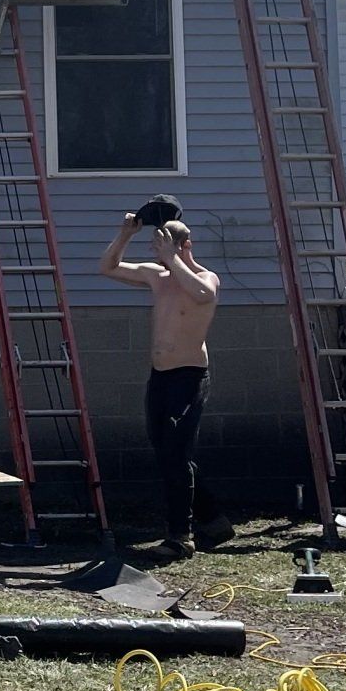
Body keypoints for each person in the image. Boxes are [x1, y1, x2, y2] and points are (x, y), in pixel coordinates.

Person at [98, 200, 230, 560]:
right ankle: (214, 520)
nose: (157, 256)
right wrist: (126, 235)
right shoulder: (157, 276)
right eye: (155, 249)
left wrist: (174, 258)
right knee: (168, 451)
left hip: (189, 377)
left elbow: (204, 295)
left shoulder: (205, 278)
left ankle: (180, 537)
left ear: (185, 246)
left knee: (175, 453)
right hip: (160, 377)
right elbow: (107, 267)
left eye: (163, 248)